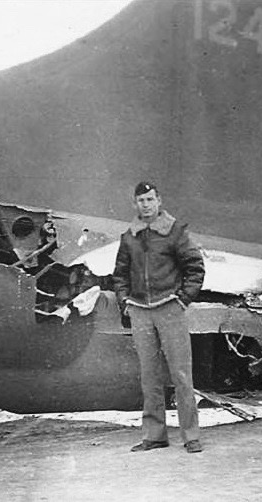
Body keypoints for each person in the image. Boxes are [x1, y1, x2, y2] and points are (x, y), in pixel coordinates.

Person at [113, 181, 206, 453]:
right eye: (141, 200)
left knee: (181, 374)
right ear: (135, 204)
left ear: (159, 201)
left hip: (169, 308)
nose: (146, 205)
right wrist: (125, 302)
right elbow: (119, 275)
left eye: (150, 199)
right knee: (149, 376)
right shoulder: (129, 237)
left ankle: (191, 435)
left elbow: (195, 268)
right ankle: (154, 435)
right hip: (140, 311)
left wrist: (182, 300)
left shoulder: (175, 232)